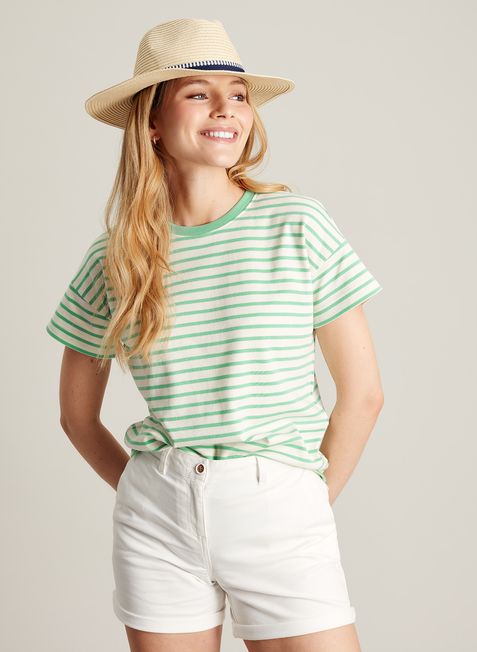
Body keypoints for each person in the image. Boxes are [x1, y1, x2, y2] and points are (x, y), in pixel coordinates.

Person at [45, 17, 384, 652]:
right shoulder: (115, 257)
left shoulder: (297, 225)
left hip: (279, 502)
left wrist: (305, 500)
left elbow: (363, 395)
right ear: (152, 120)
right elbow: (76, 417)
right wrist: (155, 495)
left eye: (239, 95)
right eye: (199, 93)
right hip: (157, 515)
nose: (227, 108)